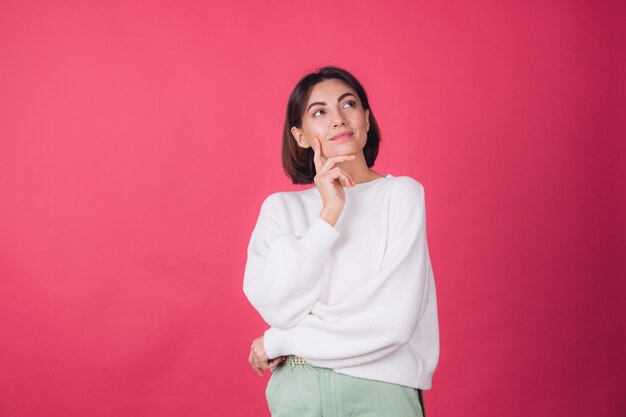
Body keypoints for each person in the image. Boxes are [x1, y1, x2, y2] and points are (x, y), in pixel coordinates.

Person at [243, 66, 439, 417]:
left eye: (348, 105)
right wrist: (329, 214)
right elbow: (276, 305)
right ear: (300, 135)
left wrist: (280, 339)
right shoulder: (280, 210)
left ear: (365, 119)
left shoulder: (401, 195)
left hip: (381, 392)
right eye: (319, 112)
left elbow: (392, 322)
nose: (337, 119)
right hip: (296, 389)